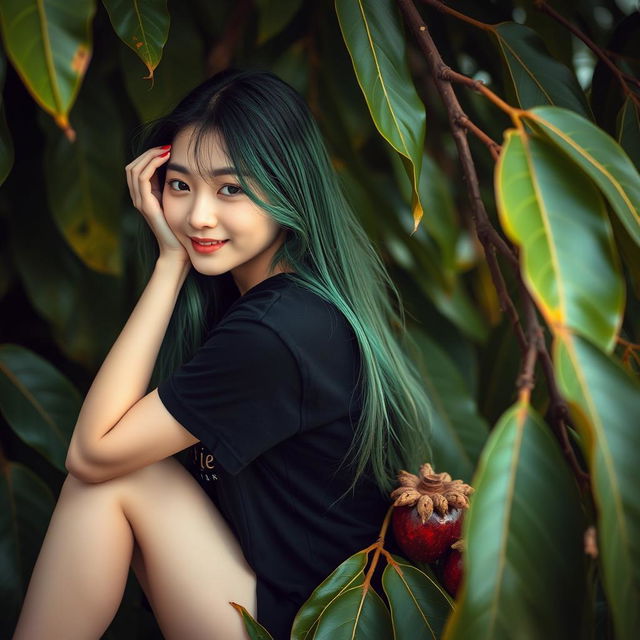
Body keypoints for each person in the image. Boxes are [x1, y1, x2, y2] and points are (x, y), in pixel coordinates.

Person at [12, 68, 433, 640]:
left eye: (230, 188)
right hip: (271, 599)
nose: (197, 217)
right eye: (180, 185)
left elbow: (92, 453)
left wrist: (167, 265)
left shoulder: (278, 332)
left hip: (301, 625)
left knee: (114, 479)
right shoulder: (277, 303)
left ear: (288, 188)